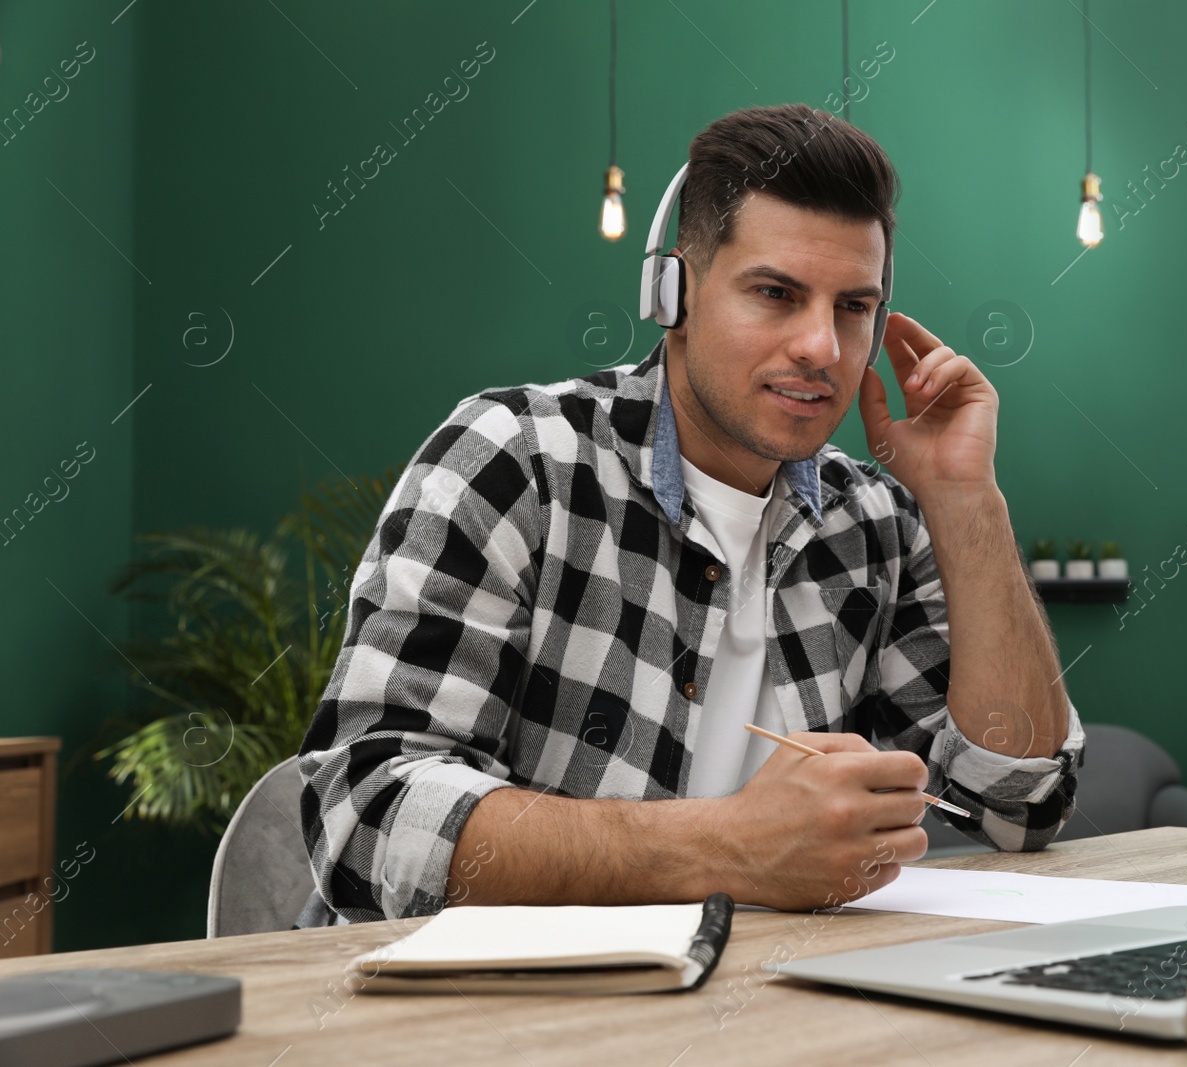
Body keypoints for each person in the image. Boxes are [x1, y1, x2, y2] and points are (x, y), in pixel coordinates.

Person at [297, 102, 1084, 925]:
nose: (822, 346)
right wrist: (728, 845)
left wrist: (967, 498)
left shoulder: (878, 522)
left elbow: (1018, 805)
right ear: (673, 290)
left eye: (854, 306)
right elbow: (366, 816)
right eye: (776, 293)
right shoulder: (517, 461)